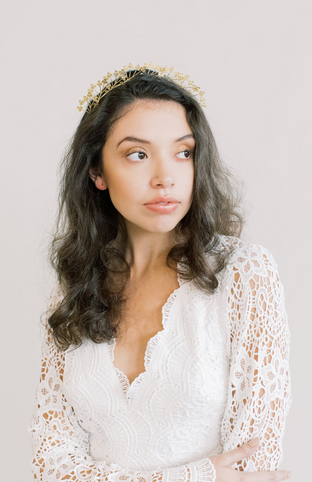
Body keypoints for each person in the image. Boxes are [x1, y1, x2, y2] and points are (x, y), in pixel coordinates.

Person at [28, 63, 292, 482]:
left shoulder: (243, 275)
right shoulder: (73, 289)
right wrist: (199, 477)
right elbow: (51, 464)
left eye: (183, 152)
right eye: (138, 154)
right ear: (96, 171)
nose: (165, 178)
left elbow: (252, 468)